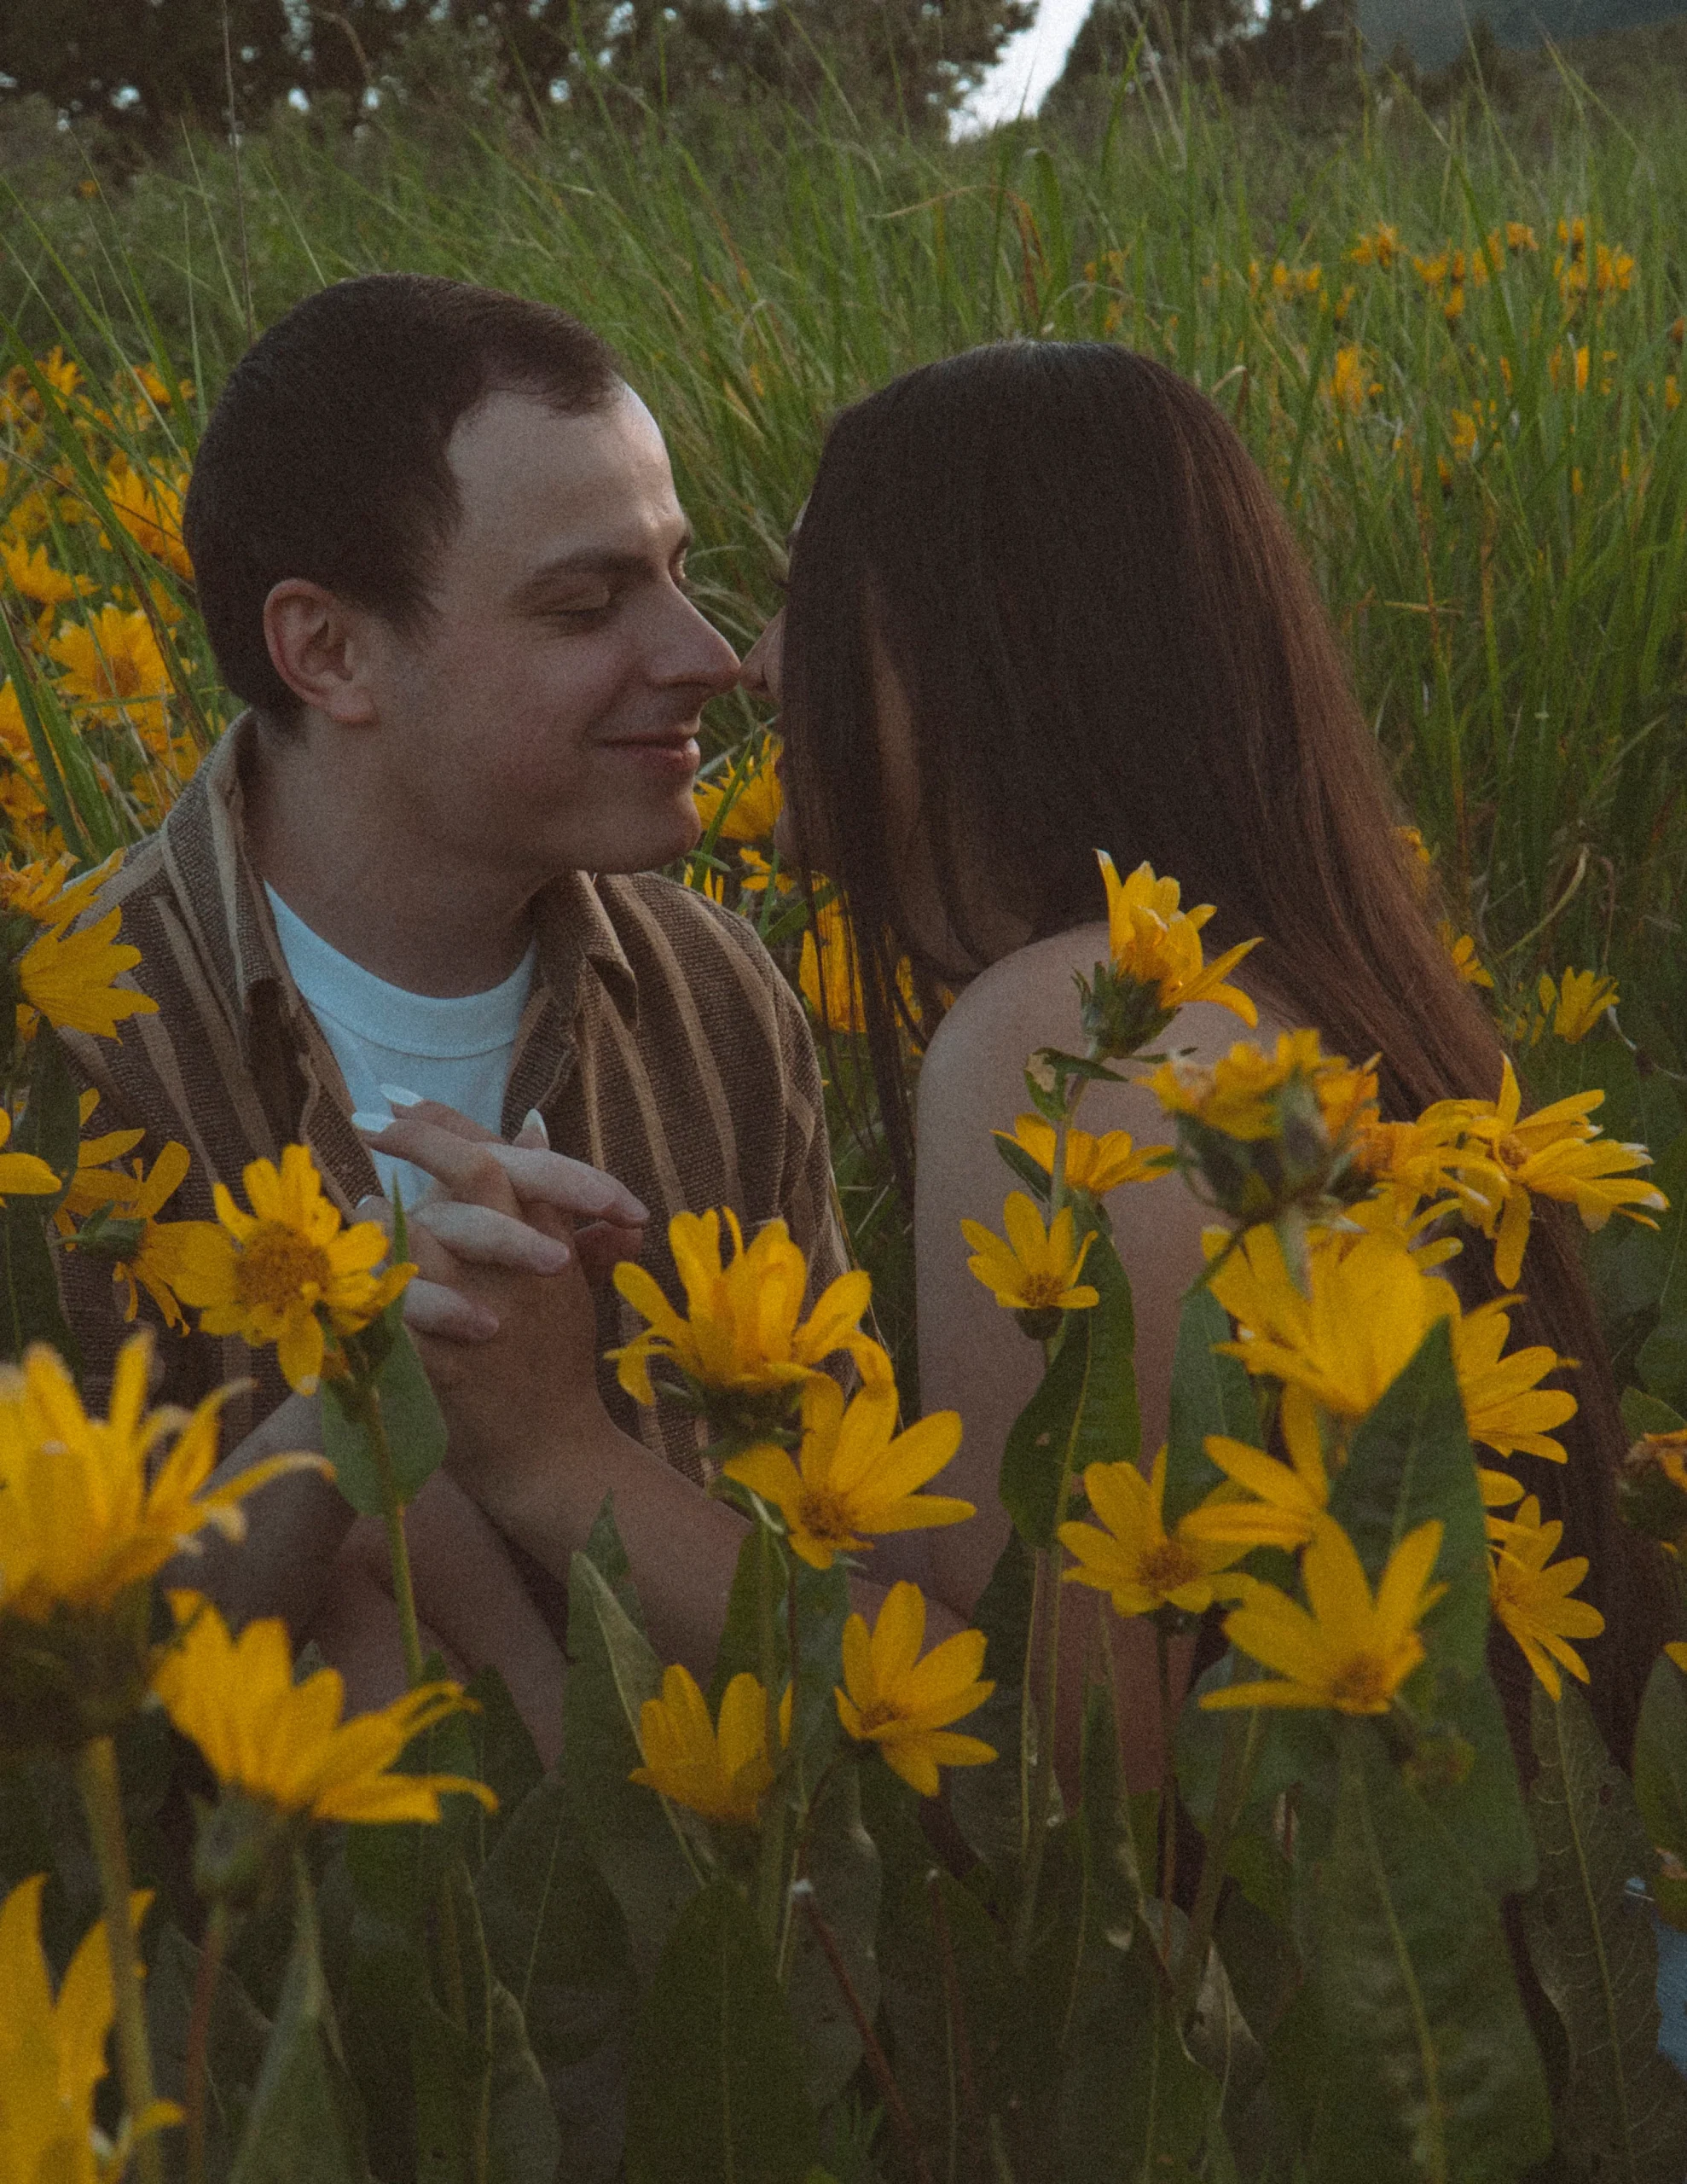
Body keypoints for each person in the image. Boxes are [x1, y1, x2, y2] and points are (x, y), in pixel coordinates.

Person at [738, 338, 1676, 1772]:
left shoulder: (1069, 1029)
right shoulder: (1288, 989)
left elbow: (1070, 1758)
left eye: (803, 598)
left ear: (973, 630)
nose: (751, 663)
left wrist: (557, 1471)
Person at [55, 274, 861, 1762]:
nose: (706, 654)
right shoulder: (58, 1048)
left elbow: (842, 1546)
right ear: (331, 653)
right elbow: (43, 1732)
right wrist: (351, 1423)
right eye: (585, 604)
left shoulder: (721, 994)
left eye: (680, 572)